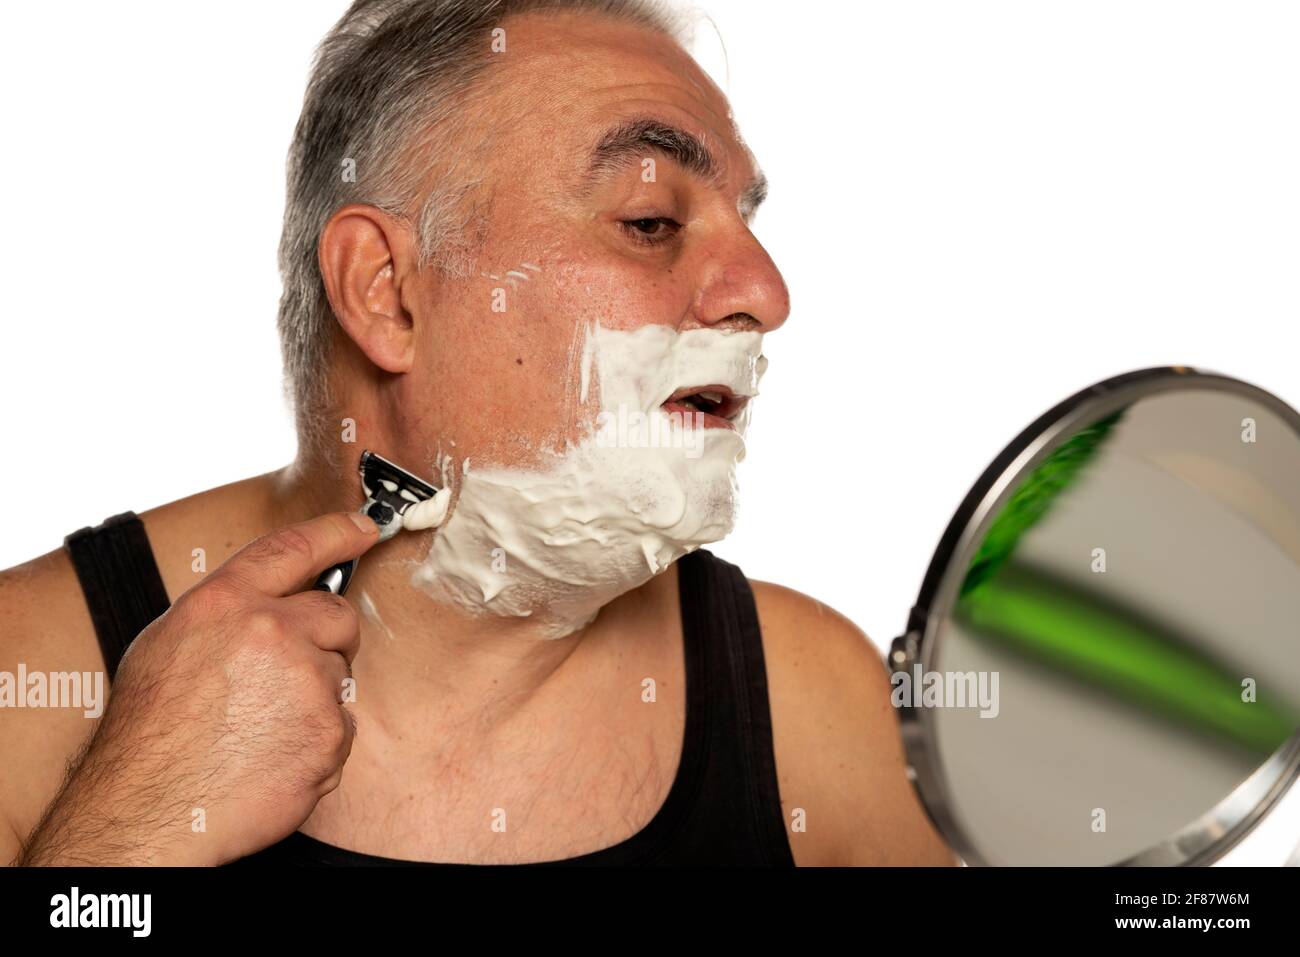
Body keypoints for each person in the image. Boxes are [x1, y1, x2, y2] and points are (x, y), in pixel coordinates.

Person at [0, 0, 954, 866]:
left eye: (742, 221)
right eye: (652, 218)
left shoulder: (816, 709)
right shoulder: (25, 682)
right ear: (388, 293)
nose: (765, 293)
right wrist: (135, 825)